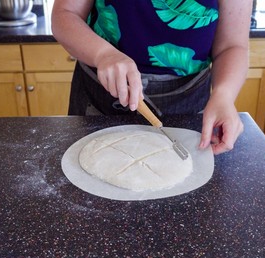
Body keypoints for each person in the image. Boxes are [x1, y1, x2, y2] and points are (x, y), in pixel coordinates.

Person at [51, 0, 252, 155]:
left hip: (189, 99)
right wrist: (103, 54)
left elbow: (232, 45)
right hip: (101, 94)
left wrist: (224, 95)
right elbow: (65, 14)